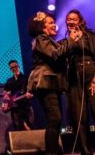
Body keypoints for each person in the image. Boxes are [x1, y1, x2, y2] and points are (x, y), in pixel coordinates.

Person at [27, 11, 78, 155]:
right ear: (42, 27)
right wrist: (71, 40)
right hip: (45, 82)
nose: (54, 25)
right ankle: (51, 152)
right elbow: (56, 54)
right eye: (50, 23)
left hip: (52, 83)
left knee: (56, 120)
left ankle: (54, 151)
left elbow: (59, 50)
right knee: (55, 119)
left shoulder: (48, 41)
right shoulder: (41, 39)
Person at [62, 9, 95, 155]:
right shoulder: (65, 40)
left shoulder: (90, 36)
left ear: (80, 21)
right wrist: (71, 40)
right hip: (74, 80)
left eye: (74, 19)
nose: (70, 21)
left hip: (91, 75)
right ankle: (85, 151)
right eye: (68, 19)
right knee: (79, 118)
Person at [2, 60, 33, 131]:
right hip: (14, 107)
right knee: (17, 126)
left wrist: (30, 93)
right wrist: (6, 99)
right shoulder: (9, 81)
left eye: (15, 66)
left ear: (18, 66)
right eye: (11, 67)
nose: (14, 68)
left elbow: (31, 89)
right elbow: (5, 92)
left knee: (29, 125)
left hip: (25, 106)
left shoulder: (25, 78)